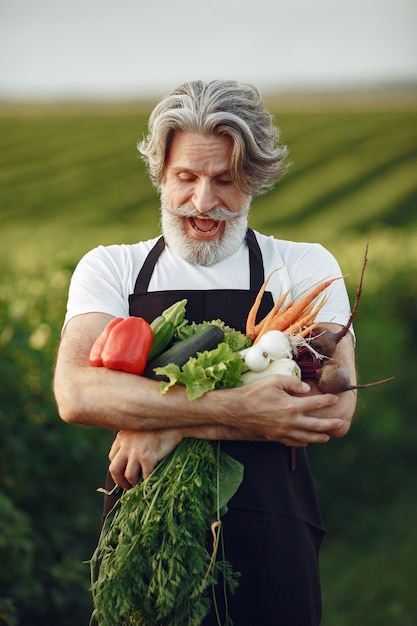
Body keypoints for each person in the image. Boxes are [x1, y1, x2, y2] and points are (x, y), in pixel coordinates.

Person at [53, 79, 357, 626]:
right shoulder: (111, 268)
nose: (203, 200)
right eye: (185, 178)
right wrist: (229, 410)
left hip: (275, 541)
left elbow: (331, 407)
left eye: (225, 180)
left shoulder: (306, 266)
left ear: (254, 179)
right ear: (161, 177)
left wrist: (167, 423)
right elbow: (76, 393)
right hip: (148, 543)